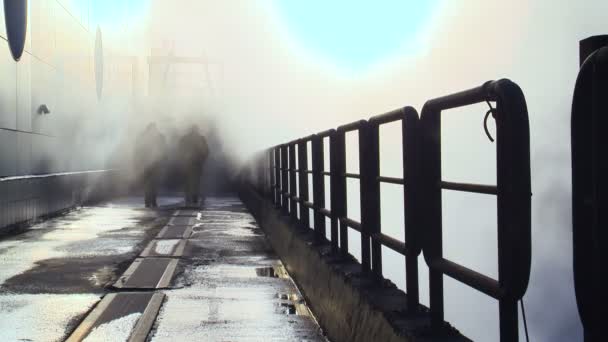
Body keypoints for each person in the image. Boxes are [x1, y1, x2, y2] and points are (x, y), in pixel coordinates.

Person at [134, 123, 167, 207]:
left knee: (148, 183)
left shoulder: (143, 137)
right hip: (156, 163)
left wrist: (138, 162)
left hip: (146, 163)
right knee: (154, 183)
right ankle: (153, 200)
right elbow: (164, 150)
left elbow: (138, 150)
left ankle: (148, 201)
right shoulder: (160, 137)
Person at [178, 125, 209, 205]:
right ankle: (194, 197)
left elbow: (180, 150)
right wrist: (202, 159)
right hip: (196, 163)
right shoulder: (201, 138)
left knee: (188, 182)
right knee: (196, 182)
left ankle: (189, 197)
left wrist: (182, 159)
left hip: (190, 164)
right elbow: (206, 151)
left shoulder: (185, 138)